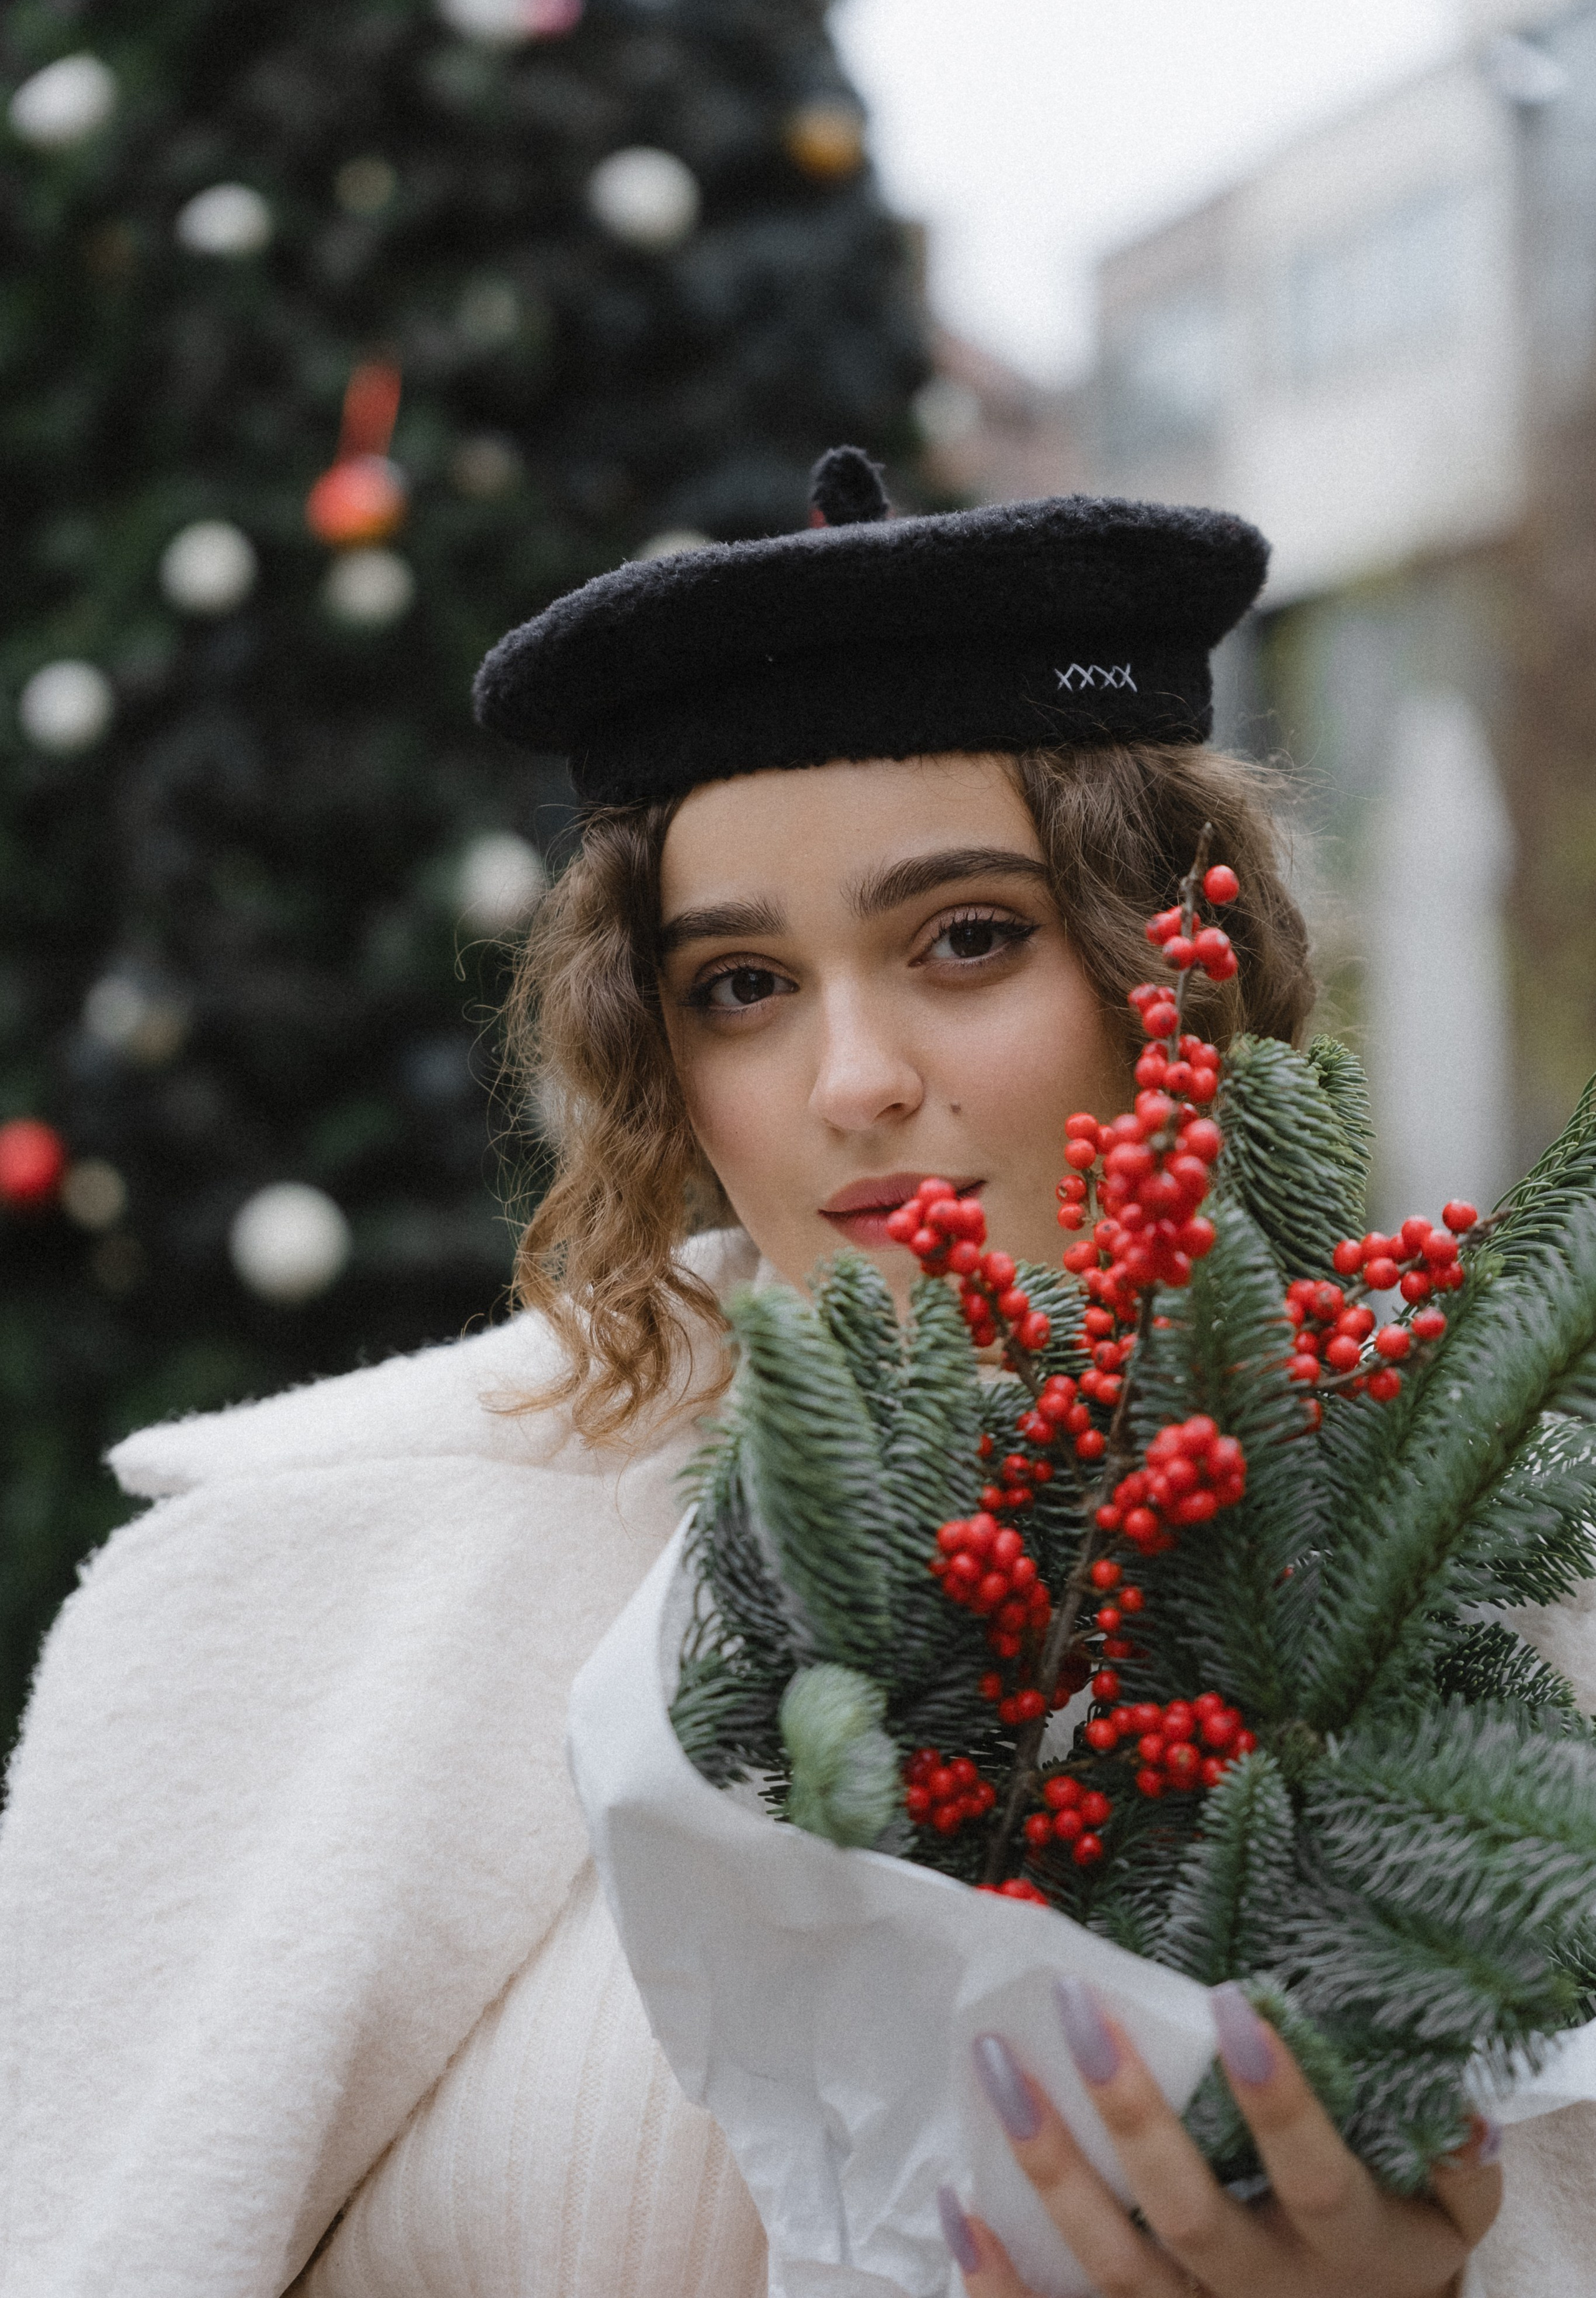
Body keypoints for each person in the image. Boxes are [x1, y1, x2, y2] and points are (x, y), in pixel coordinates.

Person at [0, 453, 1585, 2298]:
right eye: (741, 984)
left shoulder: (1507, 1554)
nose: (853, 1082)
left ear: (1171, 954)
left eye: (967, 939)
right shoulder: (321, 1578)